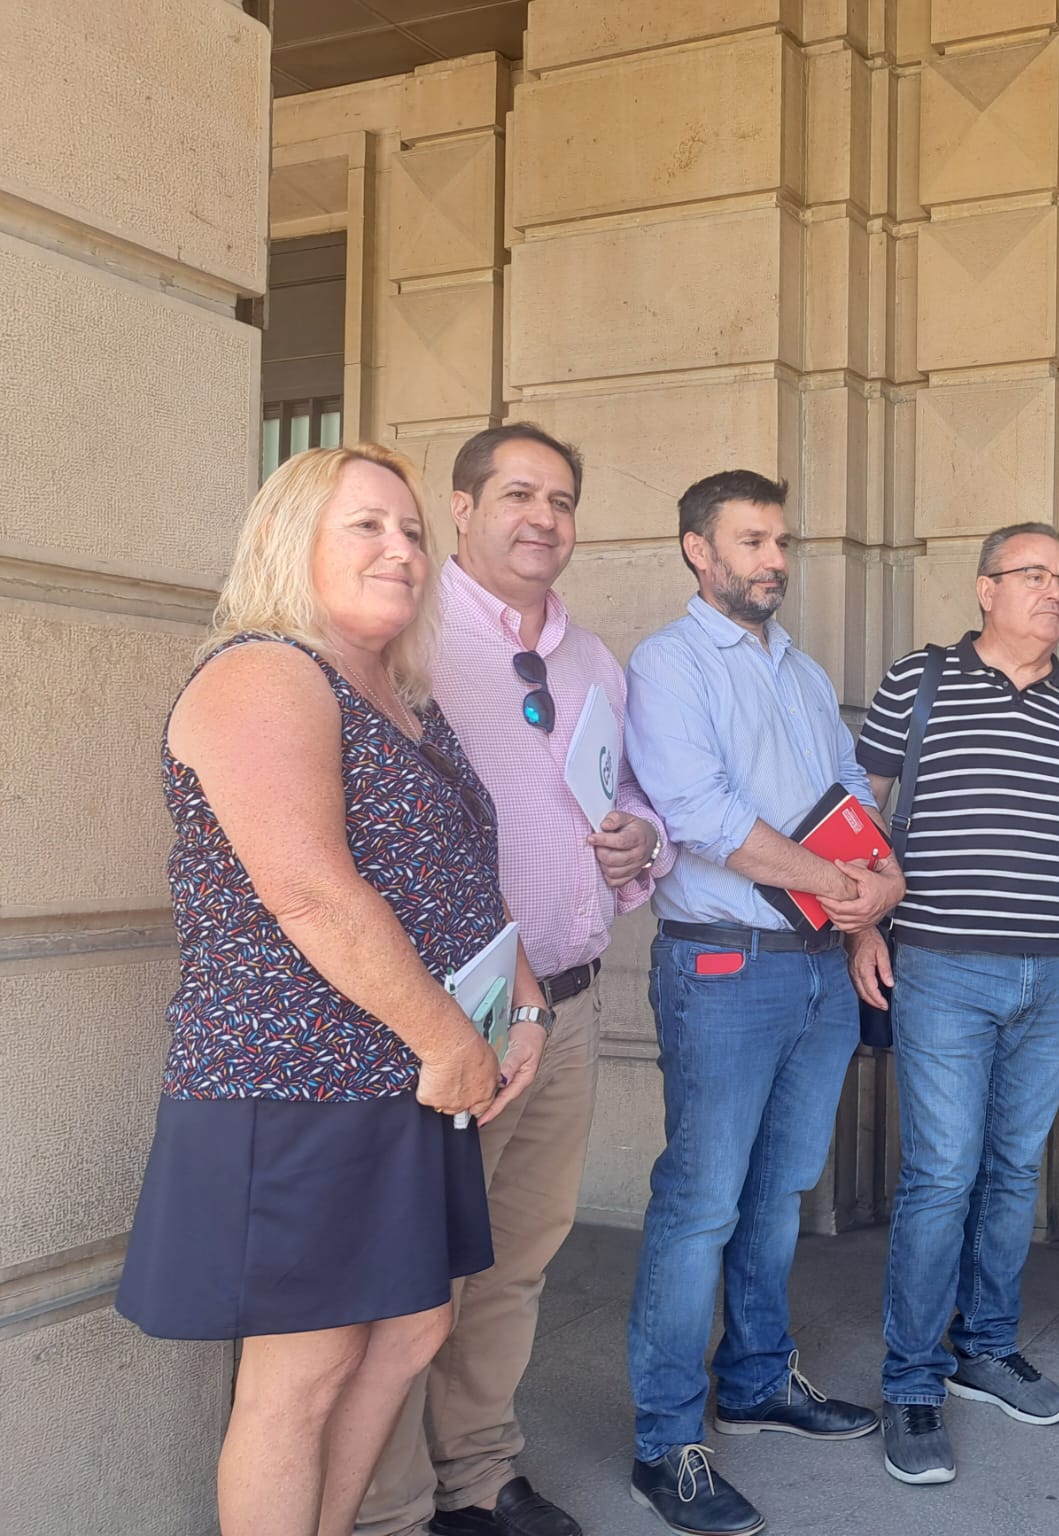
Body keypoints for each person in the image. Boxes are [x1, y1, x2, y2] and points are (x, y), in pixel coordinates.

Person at [115, 444, 544, 1536]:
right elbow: (310, 891)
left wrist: (525, 1003)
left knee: (406, 1335)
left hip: (407, 1072)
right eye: (366, 526)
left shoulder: (401, 696)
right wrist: (452, 1040)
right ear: (286, 540)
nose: (399, 549)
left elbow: (459, 875)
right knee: (299, 1375)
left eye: (411, 531)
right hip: (295, 1084)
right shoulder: (263, 671)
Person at [361, 424, 676, 1536]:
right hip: (458, 1004)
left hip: (577, 1002)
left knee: (517, 1261)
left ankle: (480, 1475)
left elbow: (631, 798)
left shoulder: (591, 659)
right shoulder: (409, 634)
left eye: (561, 498)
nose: (542, 517)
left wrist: (642, 841)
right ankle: (391, 1507)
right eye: (518, 494)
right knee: (420, 1273)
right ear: (461, 506)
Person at [623, 470, 901, 1536]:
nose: (774, 559)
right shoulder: (668, 664)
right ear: (699, 550)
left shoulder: (802, 669)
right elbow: (701, 818)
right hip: (723, 968)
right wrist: (841, 887)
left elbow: (850, 806)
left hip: (822, 971)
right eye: (752, 540)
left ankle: (754, 1381)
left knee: (780, 1190)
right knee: (700, 1205)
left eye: (781, 539)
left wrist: (873, 902)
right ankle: (666, 1442)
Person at [850, 521, 1059, 1485]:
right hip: (942, 966)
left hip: (1057, 973)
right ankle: (913, 1381)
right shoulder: (919, 681)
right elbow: (860, 808)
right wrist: (859, 928)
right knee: (942, 1172)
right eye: (1033, 575)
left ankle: (985, 1346)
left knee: (1016, 1169)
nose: (1054, 591)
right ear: (985, 590)